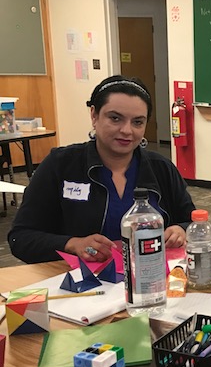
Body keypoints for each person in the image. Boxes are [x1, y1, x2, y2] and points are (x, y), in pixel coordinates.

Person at [8, 75, 195, 264]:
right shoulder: (60, 165)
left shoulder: (161, 168)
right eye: (115, 118)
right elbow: (20, 238)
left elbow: (193, 223)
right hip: (79, 284)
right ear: (94, 115)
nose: (127, 130)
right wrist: (72, 244)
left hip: (150, 280)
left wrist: (181, 230)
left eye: (137, 122)